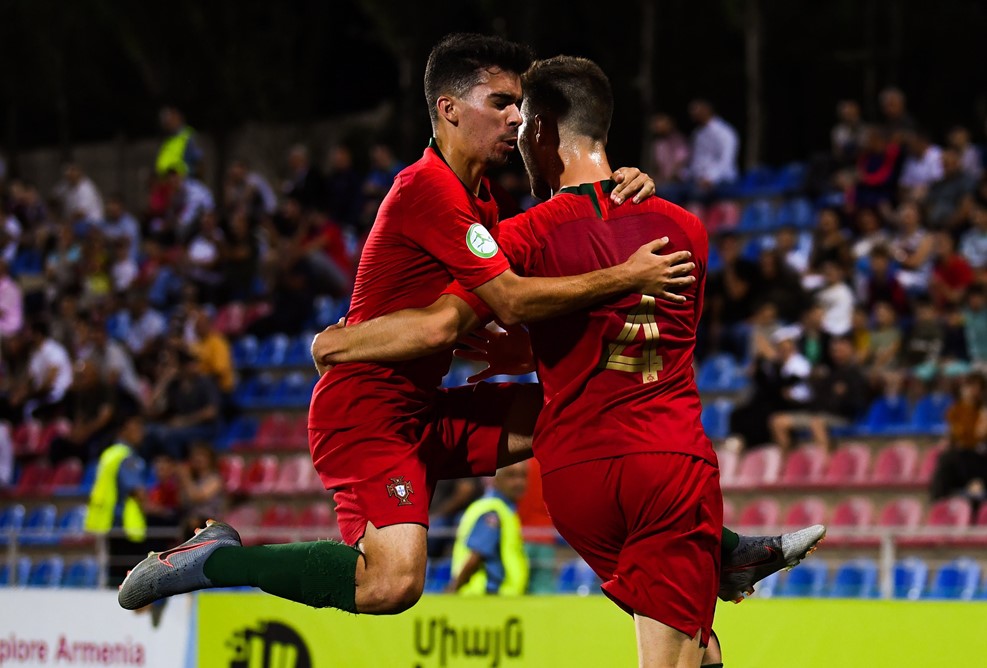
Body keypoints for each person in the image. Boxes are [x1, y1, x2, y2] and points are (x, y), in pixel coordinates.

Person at [118, 33, 678, 619]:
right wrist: (626, 275)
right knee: (393, 583)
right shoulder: (428, 189)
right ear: (449, 108)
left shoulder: (479, 198)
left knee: (581, 408)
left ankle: (702, 551)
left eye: (520, 105)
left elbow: (463, 316)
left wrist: (620, 185)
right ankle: (217, 560)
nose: (517, 117)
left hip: (420, 407)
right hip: (367, 413)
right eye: (501, 102)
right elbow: (498, 304)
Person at [310, 56, 823, 666]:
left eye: (518, 115)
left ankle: (725, 555)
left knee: (696, 639)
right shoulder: (685, 229)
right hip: (663, 465)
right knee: (679, 649)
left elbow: (517, 322)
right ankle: (724, 552)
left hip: (576, 475)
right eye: (502, 109)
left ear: (543, 130)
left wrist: (516, 347)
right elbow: (621, 328)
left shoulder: (520, 232)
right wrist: (334, 344)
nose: (512, 128)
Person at [84, 410, 147, 587]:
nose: (141, 432)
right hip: (125, 524)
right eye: (136, 427)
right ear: (123, 430)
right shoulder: (126, 456)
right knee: (127, 580)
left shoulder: (110, 454)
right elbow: (136, 490)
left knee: (113, 575)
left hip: (108, 520)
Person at [449, 461, 529, 595]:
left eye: (523, 476)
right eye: (511, 476)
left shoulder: (499, 508)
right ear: (496, 480)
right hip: (486, 599)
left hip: (493, 600)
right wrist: (452, 591)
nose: (519, 482)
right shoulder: (493, 512)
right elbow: (475, 557)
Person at [686, 99, 739, 195]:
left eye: (696, 109)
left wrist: (711, 178)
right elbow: (697, 162)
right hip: (699, 180)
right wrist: (685, 174)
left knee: (694, 194)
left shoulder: (724, 132)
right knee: (670, 191)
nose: (692, 113)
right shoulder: (698, 134)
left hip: (722, 180)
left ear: (706, 110)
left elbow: (726, 161)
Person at [156, 107, 203, 177]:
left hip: (183, 182)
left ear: (178, 118)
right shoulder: (168, 139)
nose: (167, 122)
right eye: (165, 120)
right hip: (165, 181)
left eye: (170, 119)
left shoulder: (188, 136)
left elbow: (199, 163)